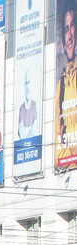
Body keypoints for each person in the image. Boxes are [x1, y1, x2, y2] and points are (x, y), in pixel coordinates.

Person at [59, 0, 77, 161]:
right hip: (67, 163)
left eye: (72, 26)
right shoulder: (61, 83)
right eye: (66, 29)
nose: (70, 35)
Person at [18, 69, 39, 140]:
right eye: (26, 83)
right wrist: (30, 130)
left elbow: (35, 131)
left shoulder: (34, 105)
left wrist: (26, 130)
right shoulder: (21, 108)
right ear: (24, 85)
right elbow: (21, 134)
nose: (28, 86)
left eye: (29, 83)